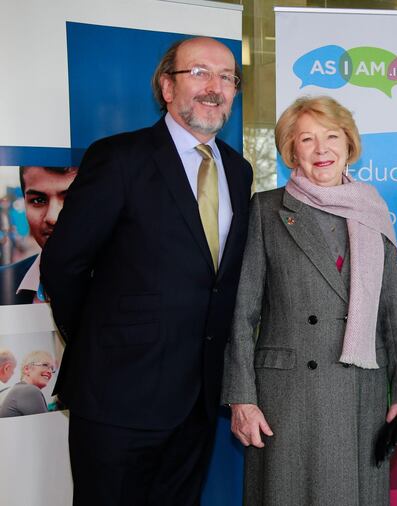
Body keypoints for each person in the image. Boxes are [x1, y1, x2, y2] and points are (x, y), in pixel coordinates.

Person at [40, 37, 253, 505]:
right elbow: (64, 263)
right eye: (199, 72)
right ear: (166, 86)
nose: (214, 87)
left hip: (197, 398)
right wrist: (102, 340)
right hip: (119, 394)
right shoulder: (120, 157)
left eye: (226, 77)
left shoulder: (239, 171)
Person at [222, 95, 397, 506]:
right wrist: (242, 397)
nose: (321, 149)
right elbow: (242, 314)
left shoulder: (373, 210)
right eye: (306, 139)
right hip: (288, 398)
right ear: (292, 150)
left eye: (331, 136)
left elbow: (392, 311)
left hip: (361, 395)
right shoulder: (268, 209)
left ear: (349, 145)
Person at [0, 166, 77, 305]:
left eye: (71, 199)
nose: (52, 217)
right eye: (38, 200)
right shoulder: (3, 284)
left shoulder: (126, 284)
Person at [0, 350, 54, 417]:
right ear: (27, 369)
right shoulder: (29, 390)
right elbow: (45, 426)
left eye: (52, 368)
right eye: (45, 365)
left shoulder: (19, 390)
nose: (50, 371)